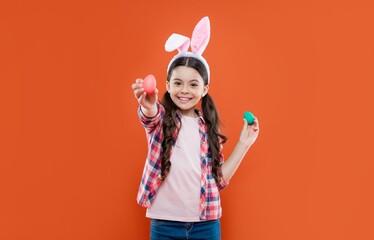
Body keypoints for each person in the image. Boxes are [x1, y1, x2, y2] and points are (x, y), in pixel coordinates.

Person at [131, 16, 259, 240]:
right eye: (178, 83)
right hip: (164, 224)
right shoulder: (162, 119)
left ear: (205, 88)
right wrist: (149, 106)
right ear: (168, 85)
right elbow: (149, 116)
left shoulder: (207, 128)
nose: (184, 90)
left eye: (193, 84)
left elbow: (218, 180)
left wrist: (244, 143)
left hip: (206, 225)